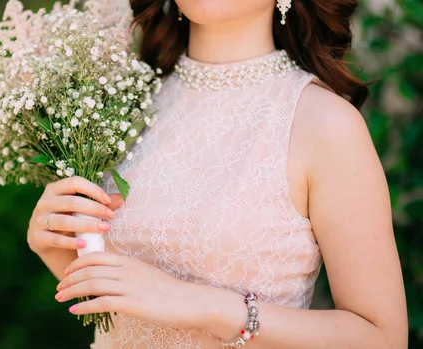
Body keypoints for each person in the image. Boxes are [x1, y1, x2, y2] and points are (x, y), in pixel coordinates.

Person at [26, 0, 408, 347]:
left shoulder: (323, 123)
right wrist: (57, 246)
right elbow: (118, 312)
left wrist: (204, 305)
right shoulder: (122, 103)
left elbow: (383, 338)